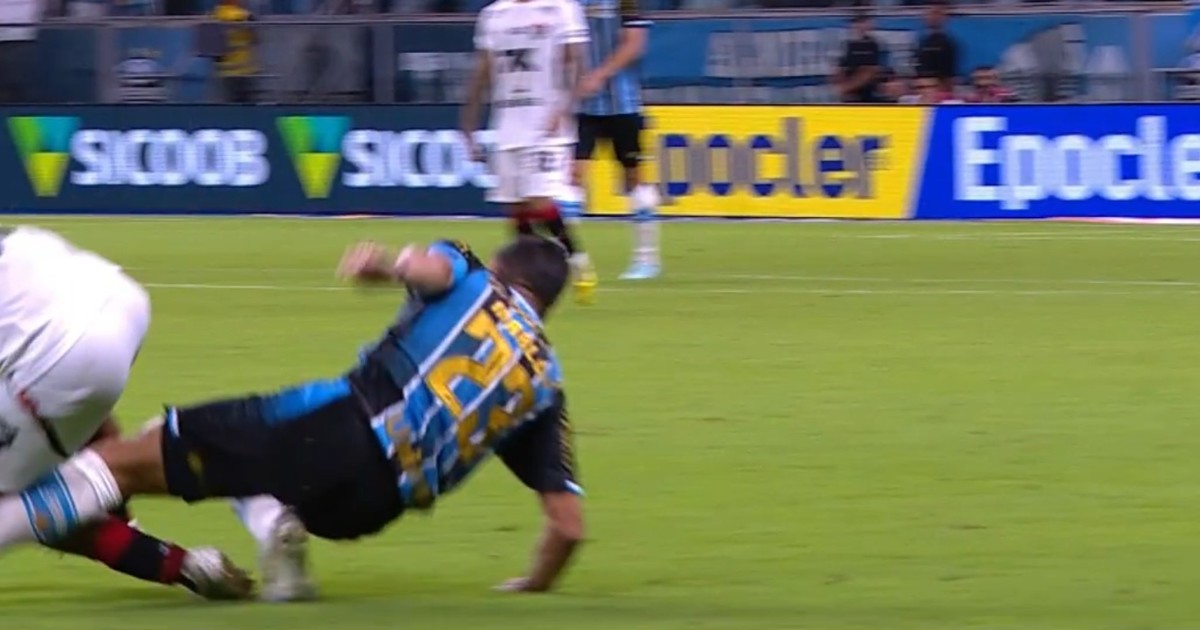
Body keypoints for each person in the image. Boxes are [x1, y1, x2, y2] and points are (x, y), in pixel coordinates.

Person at [0, 236, 586, 596]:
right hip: (370, 509)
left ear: (504, 271)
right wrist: (531, 585)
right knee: (240, 460)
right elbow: (567, 526)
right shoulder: (546, 386)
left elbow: (431, 268)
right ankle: (274, 525)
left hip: (340, 426)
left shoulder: (474, 275)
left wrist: (392, 265)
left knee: (130, 457)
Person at [0, 226, 250, 599]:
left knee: (22, 506)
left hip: (62, 351)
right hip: (118, 299)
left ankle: (181, 562)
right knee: (62, 424)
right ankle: (264, 491)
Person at [462, 0, 600, 305]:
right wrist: (468, 121)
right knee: (517, 206)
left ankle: (577, 260)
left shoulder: (560, 8)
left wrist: (564, 108)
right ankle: (527, 278)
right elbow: (483, 71)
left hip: (546, 125)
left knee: (540, 200)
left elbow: (577, 63)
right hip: (507, 124)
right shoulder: (494, 15)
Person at [571, 0, 660, 281]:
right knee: (571, 177)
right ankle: (567, 258)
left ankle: (646, 259)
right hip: (582, 105)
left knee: (634, 177)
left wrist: (600, 74)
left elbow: (634, 44)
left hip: (623, 104)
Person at [834, 11, 884, 104]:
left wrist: (847, 87)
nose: (857, 25)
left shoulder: (871, 44)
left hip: (866, 93)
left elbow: (869, 71)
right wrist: (842, 89)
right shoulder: (847, 44)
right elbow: (840, 68)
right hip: (848, 94)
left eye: (861, 22)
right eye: (855, 22)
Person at [915, 1, 958, 95]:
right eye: (929, 13)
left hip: (938, 92)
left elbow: (948, 75)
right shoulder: (921, 41)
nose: (933, 17)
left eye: (937, 13)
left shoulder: (948, 44)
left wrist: (943, 94)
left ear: (945, 18)